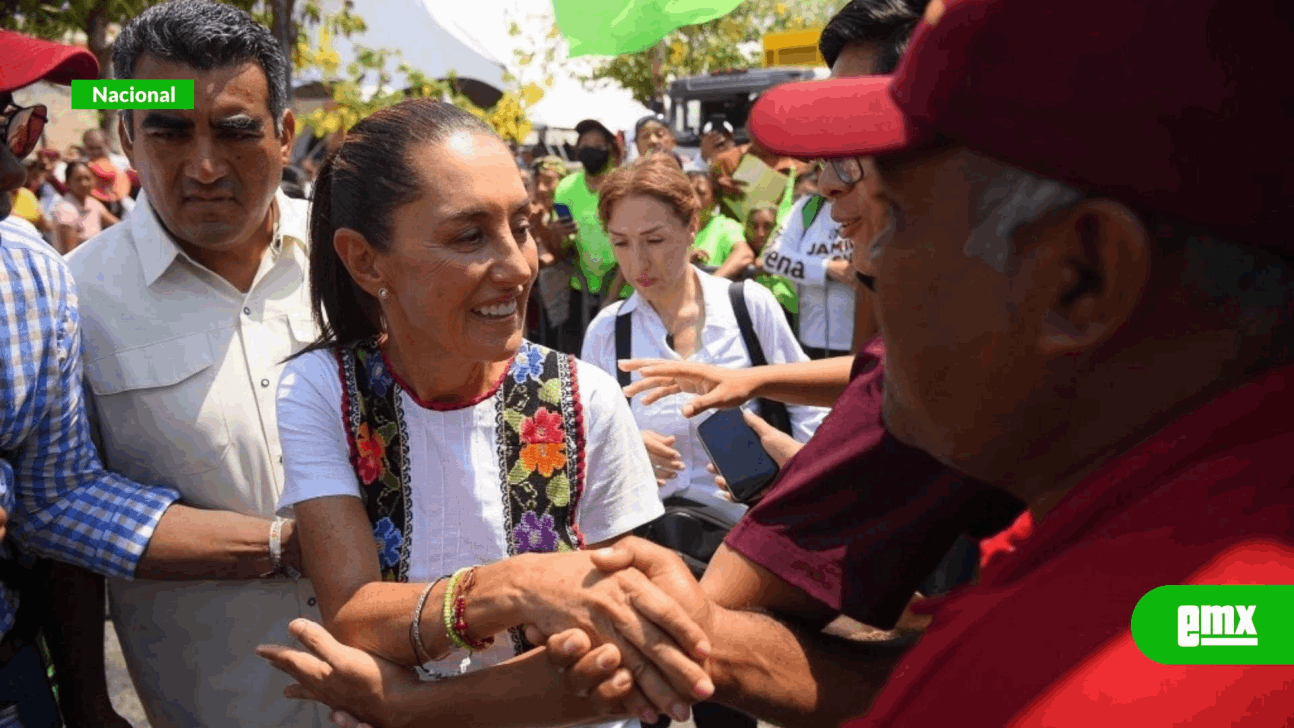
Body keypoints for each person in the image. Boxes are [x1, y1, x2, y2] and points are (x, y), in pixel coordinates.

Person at [276, 97, 723, 728]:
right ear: (366, 261)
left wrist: (407, 704)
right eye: (469, 236)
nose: (518, 265)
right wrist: (520, 587)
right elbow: (353, 615)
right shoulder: (324, 389)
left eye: (522, 226)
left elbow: (618, 655)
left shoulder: (584, 398)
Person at [1, 28, 326, 728]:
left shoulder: (360, 258)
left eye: (235, 130)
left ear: (284, 134)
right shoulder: (75, 294)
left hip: (402, 685)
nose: (205, 166)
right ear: (127, 137)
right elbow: (62, 524)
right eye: (170, 132)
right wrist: (88, 698)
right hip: (215, 701)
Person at [581, 156, 826, 526]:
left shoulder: (749, 306)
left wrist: (795, 482)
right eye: (621, 243)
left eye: (655, 240)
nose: (638, 261)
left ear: (692, 227)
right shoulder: (606, 331)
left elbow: (808, 408)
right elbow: (586, 440)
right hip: (652, 538)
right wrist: (624, 447)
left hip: (754, 530)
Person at [551, 119, 625, 352]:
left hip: (622, 292)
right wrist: (558, 235)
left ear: (610, 148)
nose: (589, 149)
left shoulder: (624, 185)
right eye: (584, 143)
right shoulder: (566, 187)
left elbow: (632, 244)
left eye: (597, 144)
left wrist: (611, 298)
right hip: (579, 291)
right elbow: (561, 248)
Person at [685, 170, 754, 280]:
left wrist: (712, 282)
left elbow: (744, 254)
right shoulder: (671, 225)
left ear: (715, 201)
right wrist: (685, 260)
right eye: (688, 192)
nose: (693, 199)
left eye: (701, 193)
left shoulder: (725, 226)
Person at [742, 201, 797, 320]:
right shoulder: (738, 254)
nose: (760, 233)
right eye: (754, 226)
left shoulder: (789, 255)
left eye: (768, 227)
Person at [51, 160, 118, 254]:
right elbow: (70, 254)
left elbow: (117, 225)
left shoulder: (92, 203)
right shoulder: (65, 210)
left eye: (88, 178)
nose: (84, 183)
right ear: (67, 183)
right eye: (78, 179)